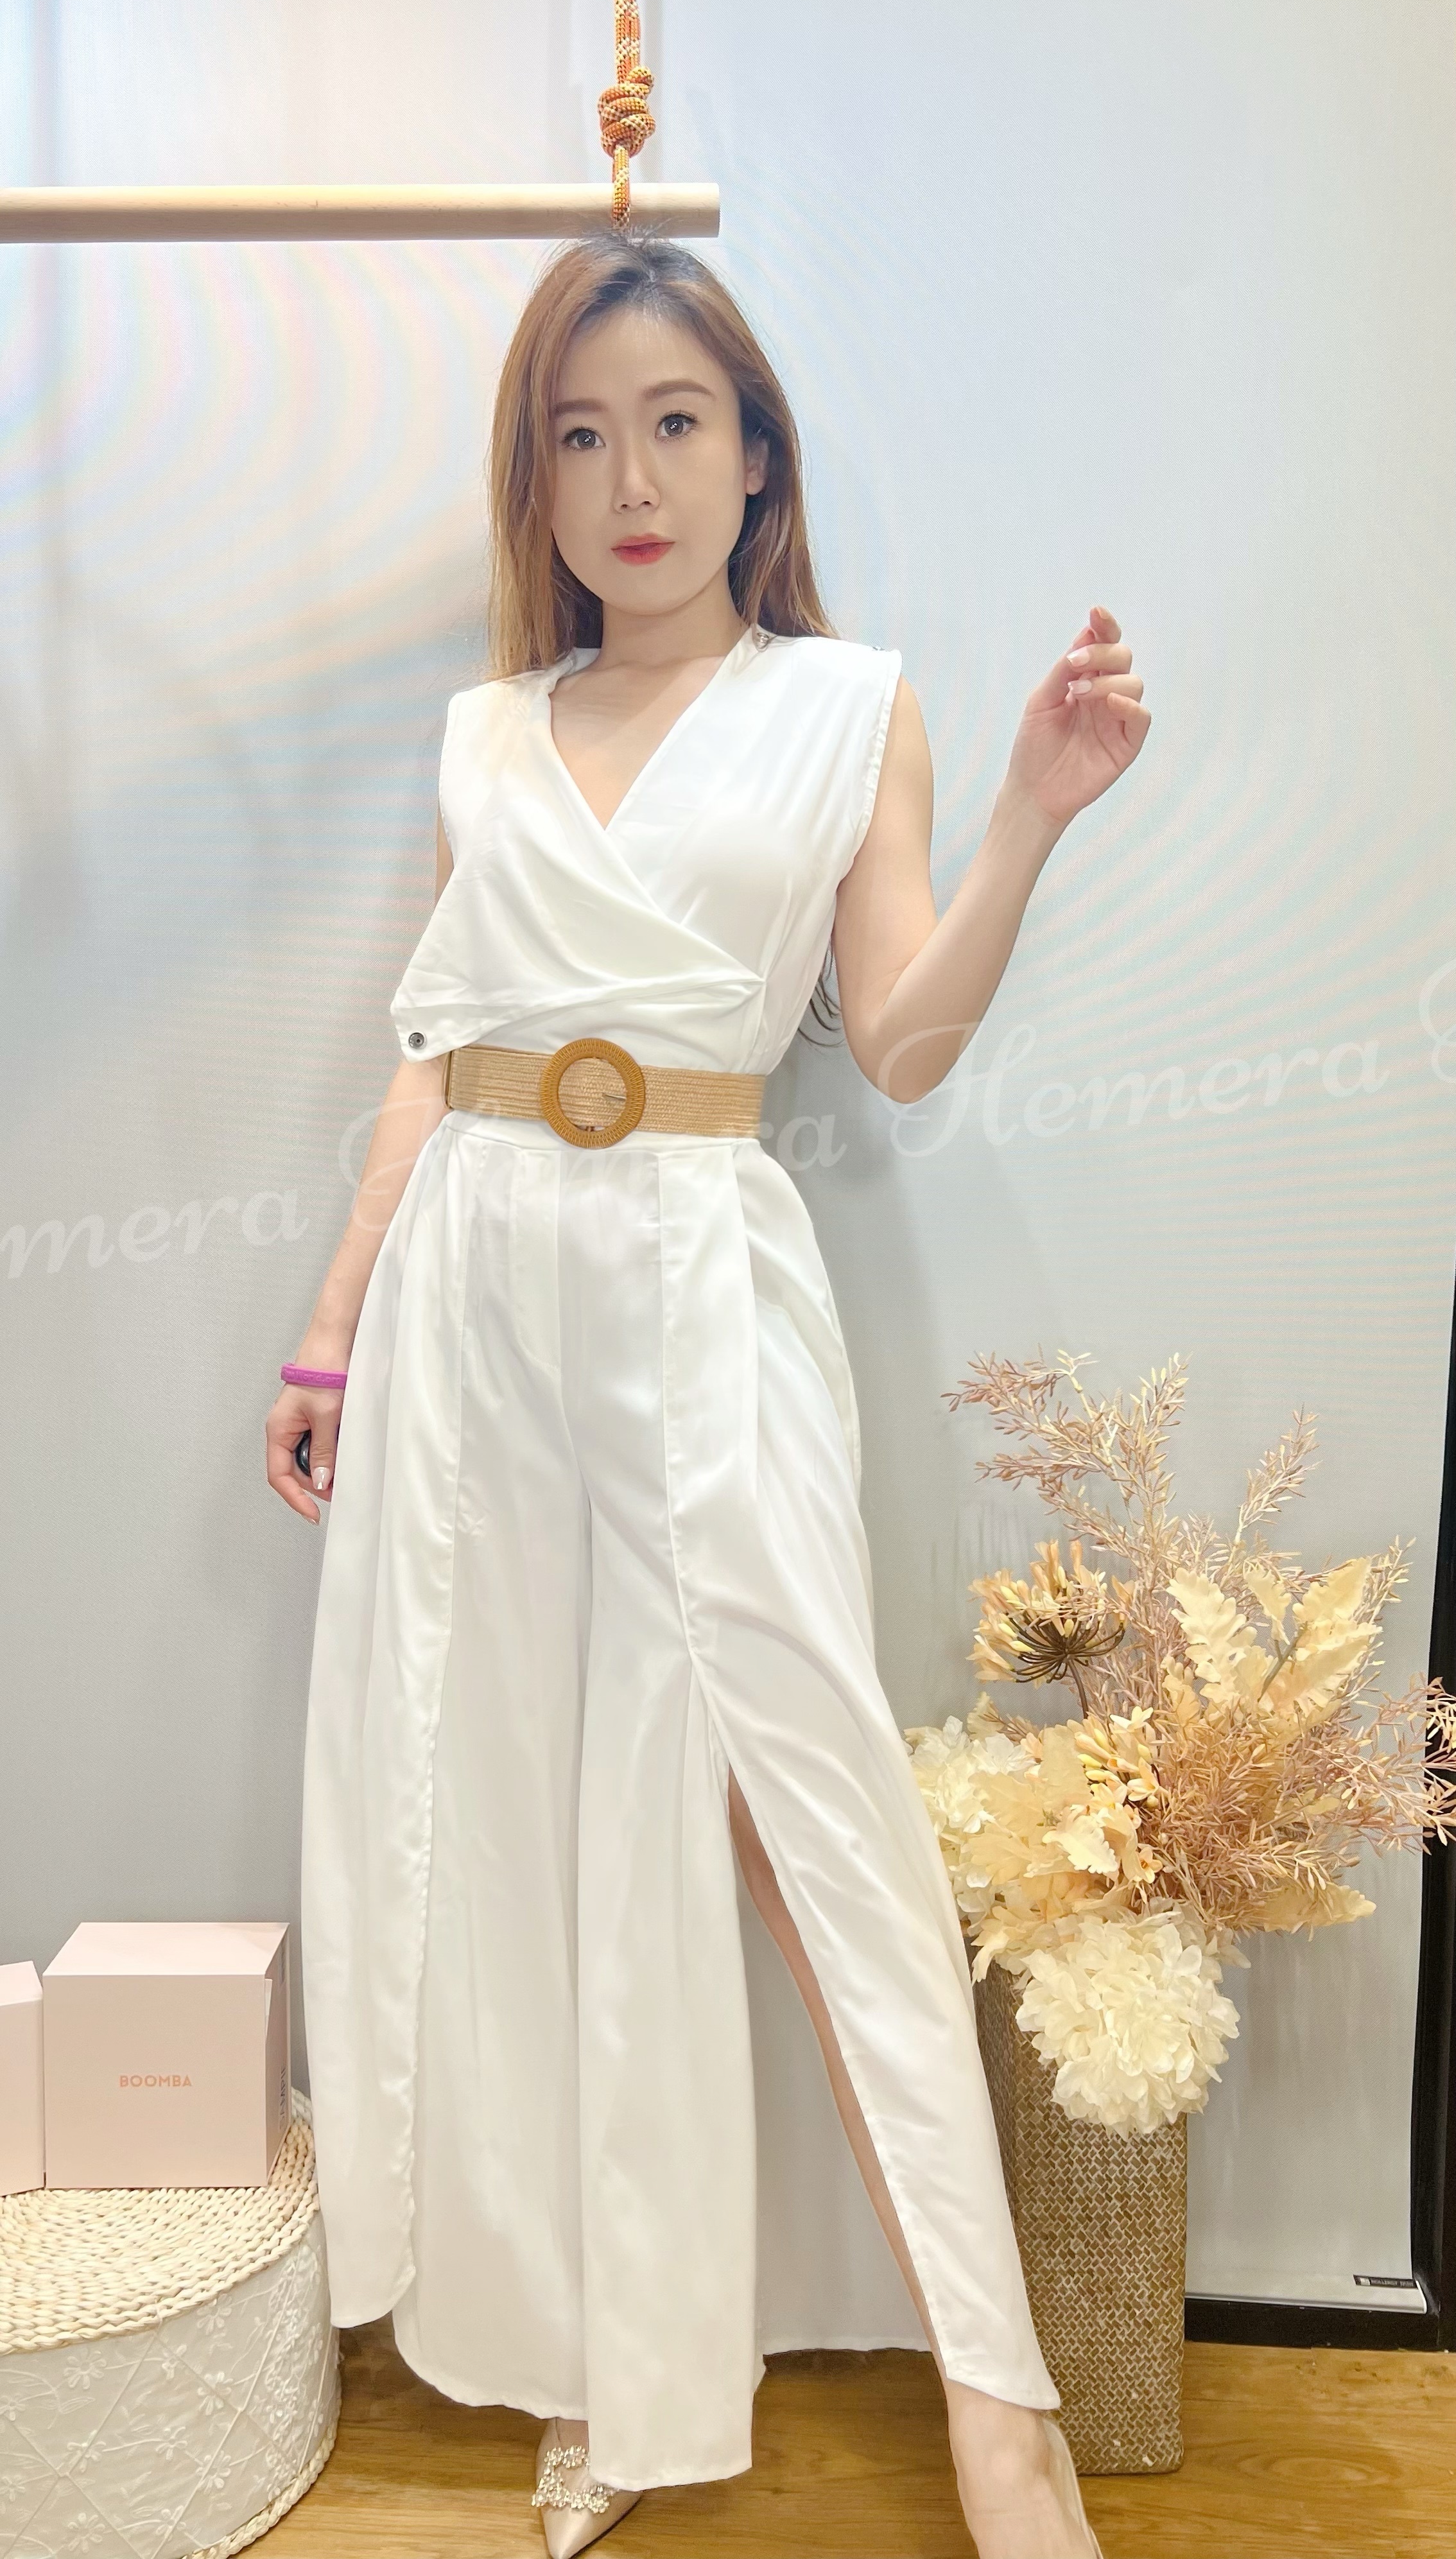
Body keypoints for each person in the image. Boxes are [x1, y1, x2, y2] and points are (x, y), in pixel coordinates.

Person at [268, 232, 1148, 2559]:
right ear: (536, 482)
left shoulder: (847, 705)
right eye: (578, 436)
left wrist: (1031, 821)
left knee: (804, 1813)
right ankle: (599, 2369)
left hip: (696, 1274)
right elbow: (438, 1052)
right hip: (472, 1297)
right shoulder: (486, 734)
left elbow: (906, 1047)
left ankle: (998, 2402)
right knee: (527, 1808)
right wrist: (334, 1320)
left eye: (673, 423)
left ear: (755, 457)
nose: (629, 480)